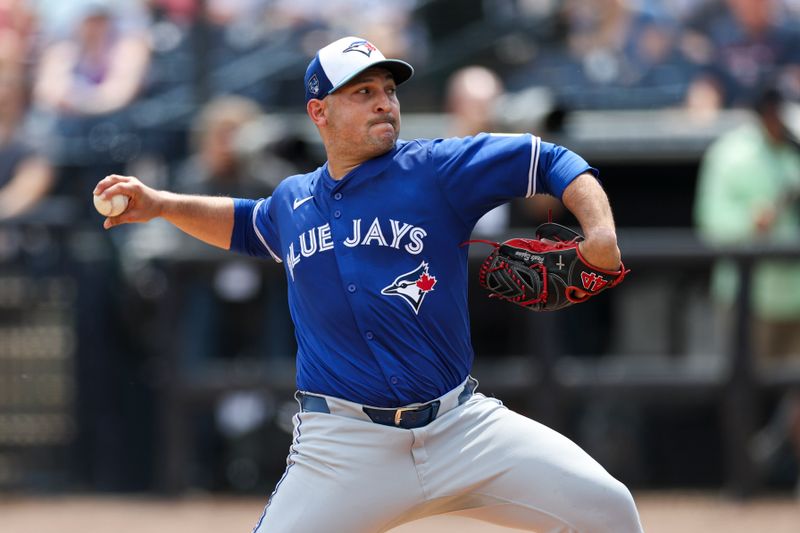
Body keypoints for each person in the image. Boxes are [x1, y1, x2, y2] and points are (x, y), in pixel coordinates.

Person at [94, 36, 643, 532]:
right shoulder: (292, 200)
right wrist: (161, 204)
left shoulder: (435, 168)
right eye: (361, 92)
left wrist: (599, 233)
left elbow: (549, 158)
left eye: (387, 89)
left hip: (460, 428)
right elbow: (243, 223)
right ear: (320, 111)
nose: (384, 101)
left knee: (610, 511)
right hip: (343, 450)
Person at [694, 84, 800, 493]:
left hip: (796, 294)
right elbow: (712, 225)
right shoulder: (730, 153)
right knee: (743, 394)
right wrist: (751, 223)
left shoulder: (795, 147)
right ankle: (743, 481)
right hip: (748, 297)